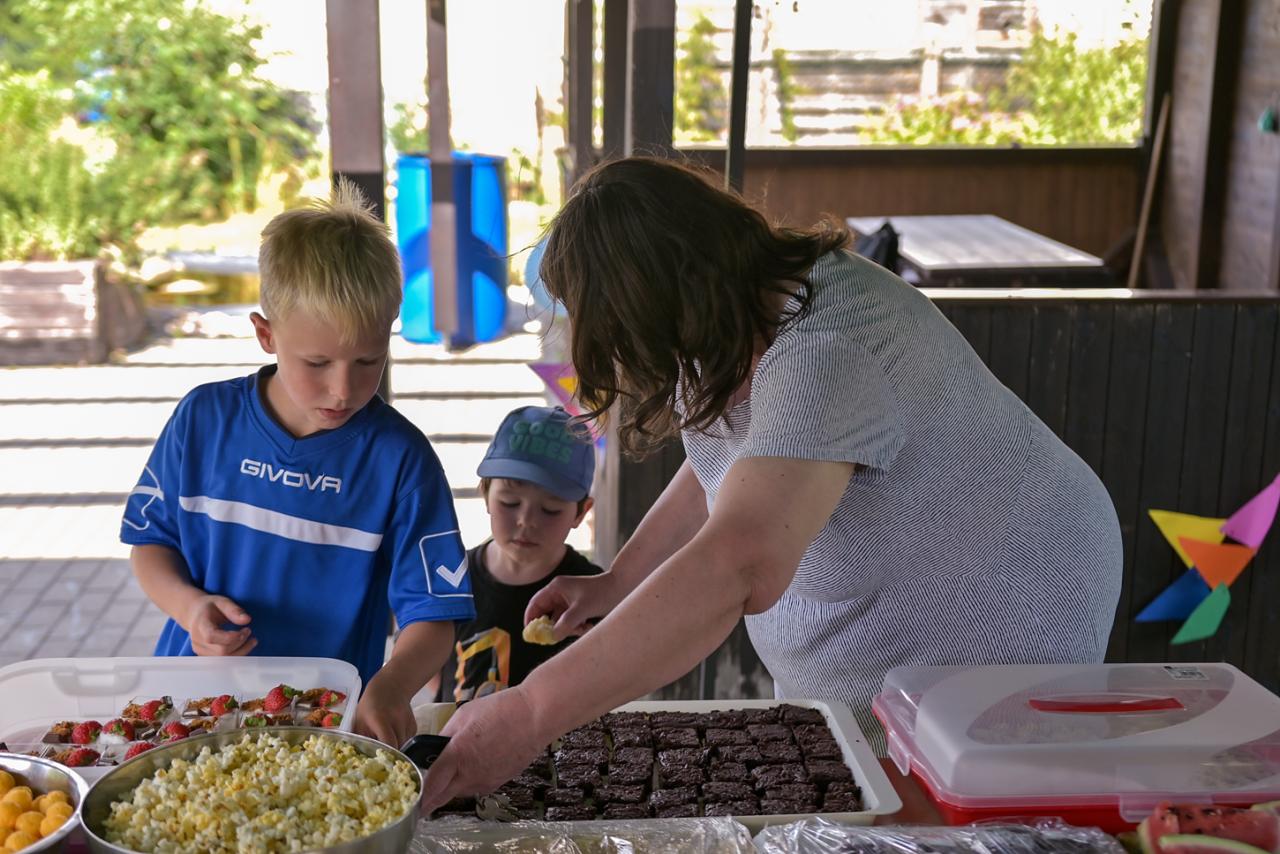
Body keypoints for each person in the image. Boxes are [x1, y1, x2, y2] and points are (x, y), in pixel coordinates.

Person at [418, 156, 1123, 811]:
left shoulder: (827, 348)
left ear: (667, 294)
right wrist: (620, 581)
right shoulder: (720, 313)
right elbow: (727, 467)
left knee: (932, 813)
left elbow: (742, 561)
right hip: (880, 629)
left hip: (1001, 604)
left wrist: (530, 713)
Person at [120, 181, 476, 747]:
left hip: (320, 728)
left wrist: (392, 685)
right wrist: (190, 609)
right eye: (317, 362)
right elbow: (150, 546)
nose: (343, 388)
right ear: (266, 334)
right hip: (189, 713)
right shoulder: (202, 420)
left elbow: (433, 614)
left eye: (369, 360)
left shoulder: (401, 460)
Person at [433, 405, 601, 703]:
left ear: (581, 512)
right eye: (509, 502)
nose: (526, 521)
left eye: (550, 509)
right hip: (457, 730)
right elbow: (430, 669)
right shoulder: (452, 578)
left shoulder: (593, 592)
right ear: (485, 494)